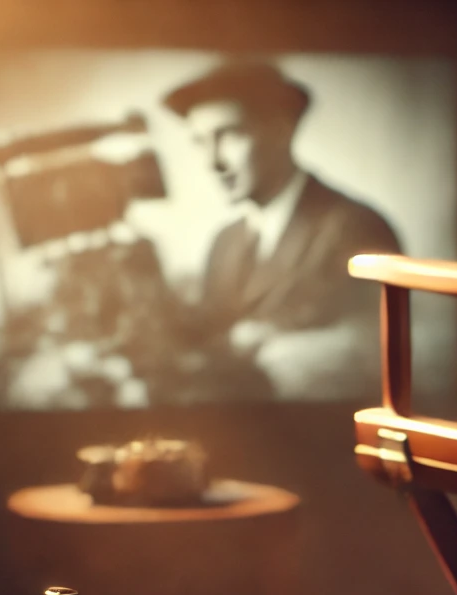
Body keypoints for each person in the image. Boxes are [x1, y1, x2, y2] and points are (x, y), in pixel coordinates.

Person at [163, 61, 401, 400]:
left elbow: (377, 355)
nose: (212, 163)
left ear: (282, 129)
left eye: (229, 134)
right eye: (200, 142)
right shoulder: (225, 241)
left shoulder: (357, 227)